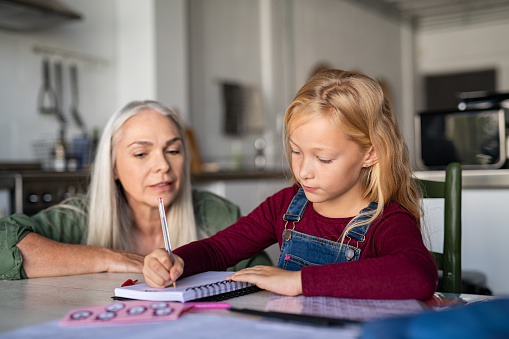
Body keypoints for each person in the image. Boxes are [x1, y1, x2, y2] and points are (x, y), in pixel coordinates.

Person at [143, 70, 438, 300]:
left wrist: (298, 281)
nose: (303, 172)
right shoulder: (285, 206)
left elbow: (418, 275)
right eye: (296, 151)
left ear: (370, 153)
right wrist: (177, 259)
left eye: (323, 159)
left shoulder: (386, 221)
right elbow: (219, 249)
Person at [0, 100, 271, 280]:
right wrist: (105, 257)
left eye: (173, 150)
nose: (163, 165)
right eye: (141, 153)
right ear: (113, 167)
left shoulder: (216, 214)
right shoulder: (77, 218)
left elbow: (269, 277)